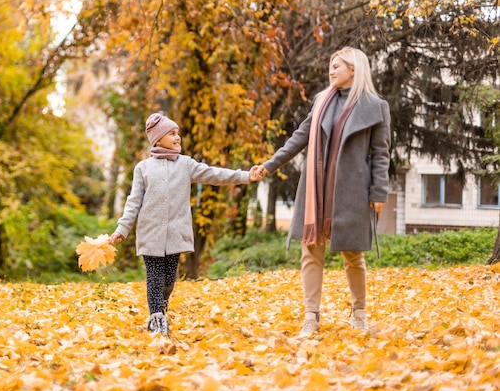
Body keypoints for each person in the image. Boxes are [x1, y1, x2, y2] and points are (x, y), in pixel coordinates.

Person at [256, 47, 391, 337]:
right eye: (331, 65)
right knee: (310, 251)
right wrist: (269, 165)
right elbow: (298, 139)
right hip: (316, 189)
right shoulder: (321, 103)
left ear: (354, 69)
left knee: (353, 255)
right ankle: (311, 316)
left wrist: (379, 191)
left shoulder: (375, 106)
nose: (331, 70)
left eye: (337, 65)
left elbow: (381, 154)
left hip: (352, 191)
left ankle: (359, 314)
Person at [109, 112, 262, 336]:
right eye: (172, 133)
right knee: (154, 276)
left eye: (178, 133)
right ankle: (157, 319)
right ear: (158, 139)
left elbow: (214, 174)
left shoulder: (186, 164)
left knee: (169, 280)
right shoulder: (143, 168)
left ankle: (161, 308)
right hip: (150, 232)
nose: (177, 137)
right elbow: (133, 202)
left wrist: (246, 176)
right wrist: (122, 229)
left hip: (175, 234)